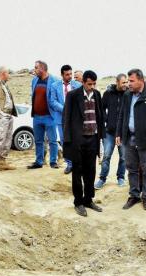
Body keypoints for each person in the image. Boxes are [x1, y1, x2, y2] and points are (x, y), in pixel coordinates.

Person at [116, 68, 146, 211]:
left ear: (141, 80)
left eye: (131, 81)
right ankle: (134, 195)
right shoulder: (126, 95)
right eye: (128, 81)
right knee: (131, 169)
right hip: (129, 139)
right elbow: (122, 115)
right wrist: (119, 133)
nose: (128, 84)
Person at [63, 70, 104, 217]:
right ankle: (78, 202)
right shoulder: (73, 95)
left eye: (94, 84)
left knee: (91, 171)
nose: (91, 86)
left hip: (92, 138)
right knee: (77, 171)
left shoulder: (97, 95)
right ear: (83, 82)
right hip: (77, 140)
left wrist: (101, 137)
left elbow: (100, 116)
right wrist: (67, 141)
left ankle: (88, 199)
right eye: (89, 84)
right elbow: (66, 118)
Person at [94, 73, 127, 189]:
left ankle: (121, 177)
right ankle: (102, 179)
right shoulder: (108, 93)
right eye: (123, 82)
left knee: (123, 157)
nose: (125, 84)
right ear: (117, 82)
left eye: (126, 82)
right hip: (110, 132)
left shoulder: (128, 94)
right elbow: (101, 108)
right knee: (107, 156)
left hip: (123, 133)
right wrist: (106, 120)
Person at [49, 64, 81, 174]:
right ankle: (69, 164)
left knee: (75, 140)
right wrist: (65, 109)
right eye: (67, 74)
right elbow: (52, 101)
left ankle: (76, 163)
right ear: (62, 75)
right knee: (64, 141)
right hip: (60, 118)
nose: (70, 76)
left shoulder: (77, 85)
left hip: (75, 119)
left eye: (71, 74)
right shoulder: (54, 86)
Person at [27, 61, 58, 169]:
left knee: (52, 141)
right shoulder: (34, 80)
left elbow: (56, 98)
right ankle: (39, 162)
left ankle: (53, 162)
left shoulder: (54, 80)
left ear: (43, 69)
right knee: (38, 141)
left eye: (36, 68)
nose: (34, 70)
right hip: (36, 117)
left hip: (49, 116)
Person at [0, 66, 18, 173]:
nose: (9, 75)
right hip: (2, 116)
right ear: (3, 73)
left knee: (7, 140)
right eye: (8, 73)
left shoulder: (4, 85)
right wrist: (0, 114)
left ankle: (2, 161)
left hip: (8, 116)